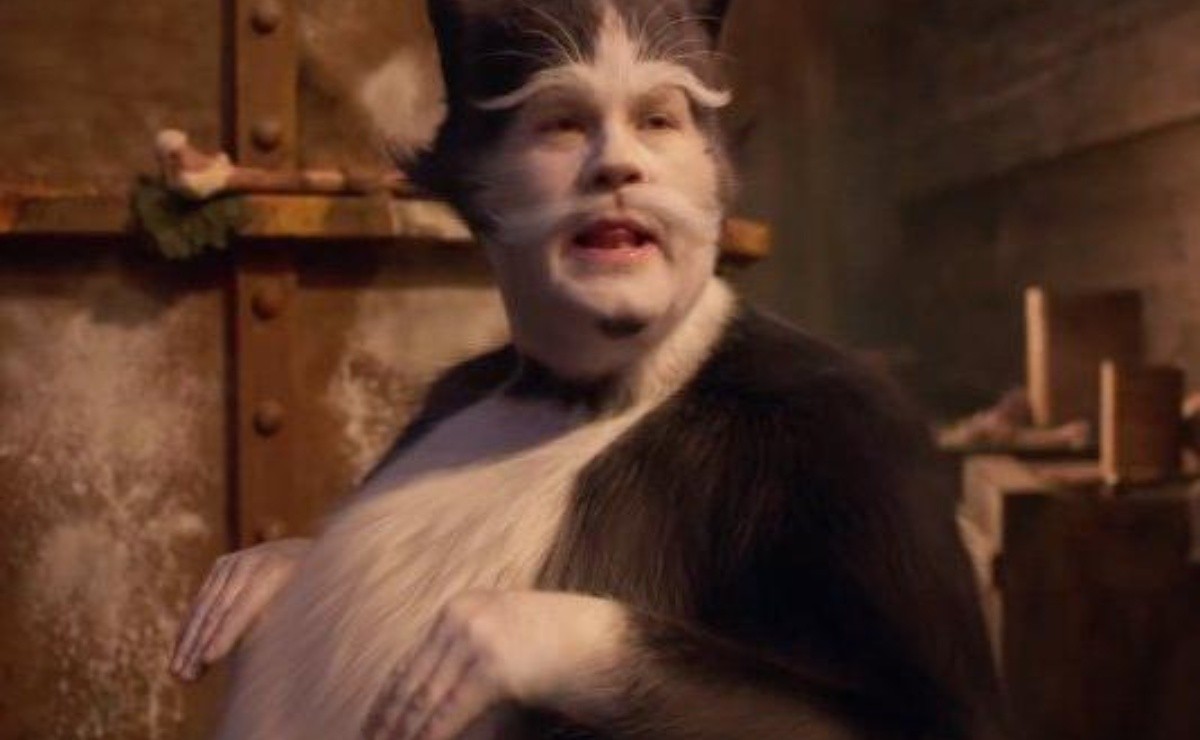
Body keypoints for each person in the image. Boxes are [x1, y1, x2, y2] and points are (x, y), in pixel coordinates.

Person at [173, 2, 1009, 738]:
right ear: (482, 183)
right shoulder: (464, 403)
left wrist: (595, 655)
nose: (618, 162)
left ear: (714, 176)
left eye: (660, 119)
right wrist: (328, 582)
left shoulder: (827, 426)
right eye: (563, 122)